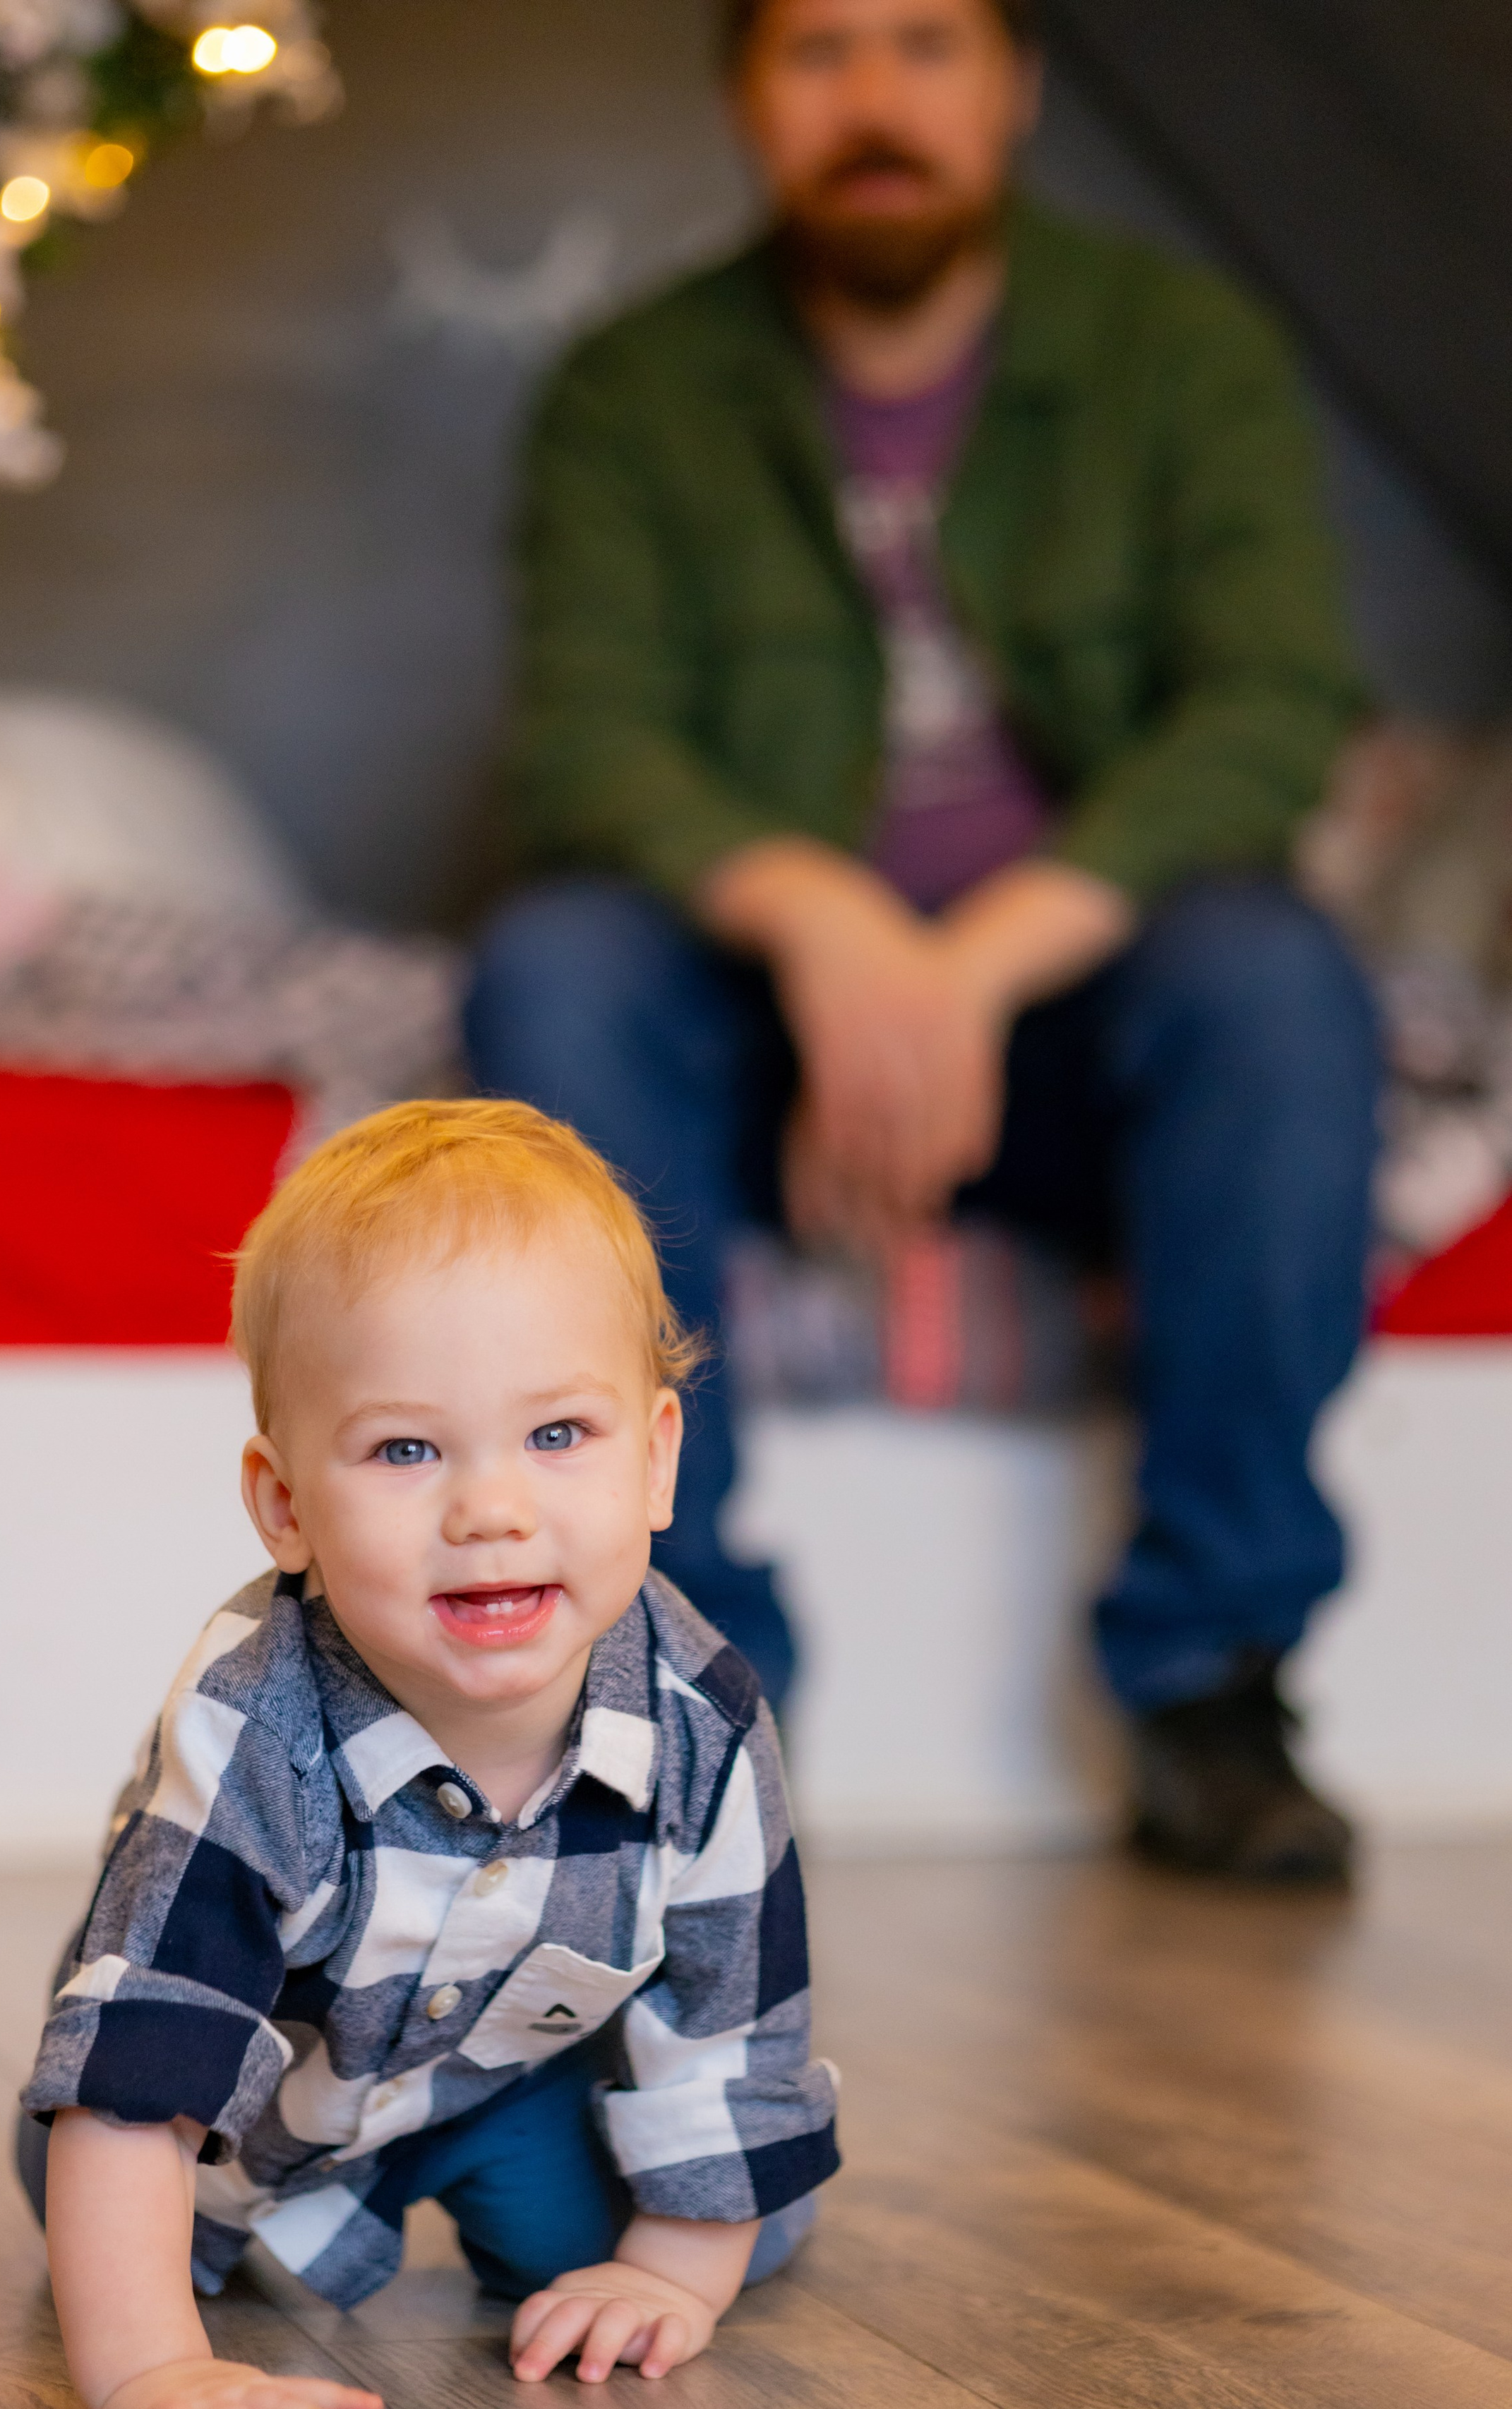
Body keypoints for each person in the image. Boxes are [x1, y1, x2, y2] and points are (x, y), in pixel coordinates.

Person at [465, 0, 1382, 1885]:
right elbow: (587, 737)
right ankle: (675, 1693)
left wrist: (967, 969)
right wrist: (827, 927)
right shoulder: (636, 387)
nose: (876, 99)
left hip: (1072, 1016)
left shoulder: (1177, 351)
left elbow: (1273, 709)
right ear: (743, 97)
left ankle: (1218, 1677)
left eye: (926, 44)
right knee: (552, 970)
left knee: (1280, 987)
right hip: (758, 1018)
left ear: (1017, 85)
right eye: (820, 52)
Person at [17, 1100, 838, 2409]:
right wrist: (149, 2369)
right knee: (104, 2207)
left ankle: (575, 2217)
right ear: (284, 1508)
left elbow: (730, 2034)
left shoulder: (704, 1721)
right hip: (251, 2124)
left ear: (657, 1457)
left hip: (509, 2081)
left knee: (734, 2210)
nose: (490, 1509)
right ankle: (184, 2278)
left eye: (558, 1436)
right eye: (407, 1451)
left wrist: (671, 2281)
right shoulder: (253, 1721)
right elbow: (139, 2069)